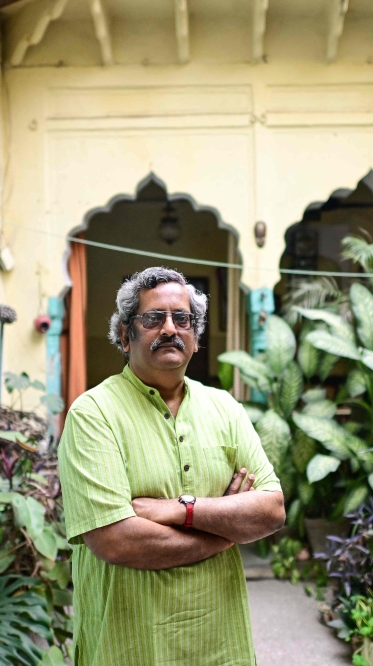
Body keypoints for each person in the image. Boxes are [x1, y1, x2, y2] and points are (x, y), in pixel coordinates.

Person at [58, 266, 286, 666]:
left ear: (195, 338)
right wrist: (223, 534)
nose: (170, 328)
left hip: (222, 647)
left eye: (182, 319)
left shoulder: (225, 408)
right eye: (153, 318)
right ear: (125, 335)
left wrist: (183, 510)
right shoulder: (94, 415)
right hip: (128, 648)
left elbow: (271, 509)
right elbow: (116, 540)